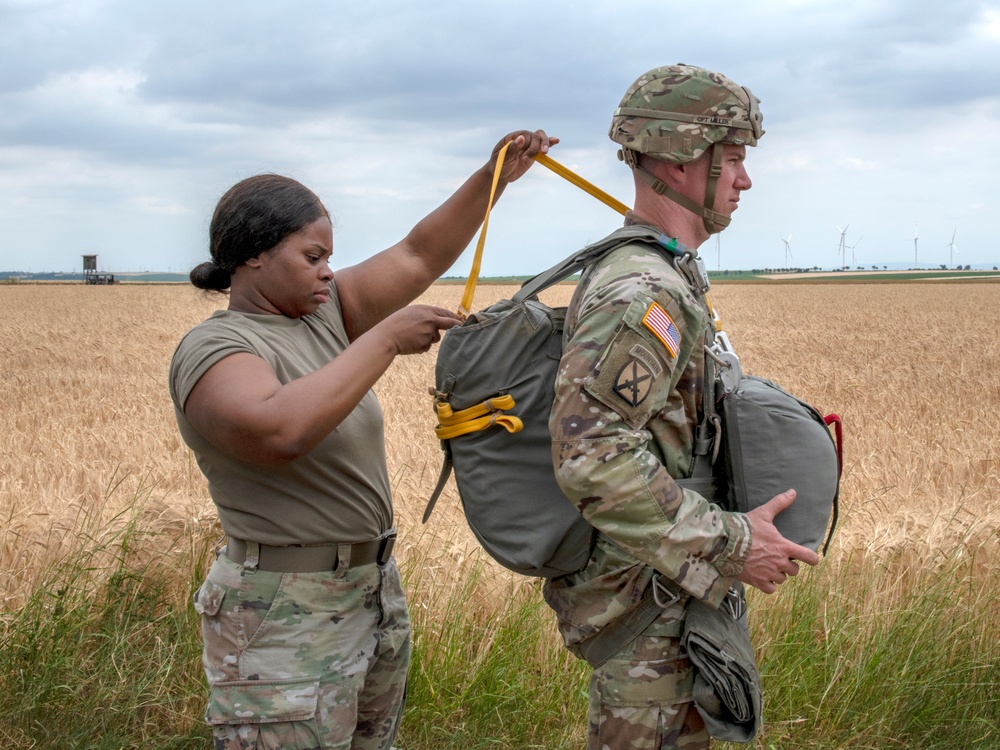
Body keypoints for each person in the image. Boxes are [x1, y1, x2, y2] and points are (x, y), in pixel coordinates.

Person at [168, 129, 556, 750]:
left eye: (330, 259)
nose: (327, 272)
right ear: (254, 256)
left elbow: (418, 255)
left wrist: (494, 178)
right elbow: (277, 429)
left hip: (367, 594)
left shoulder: (322, 315)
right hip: (281, 613)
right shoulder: (218, 346)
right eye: (313, 256)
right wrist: (382, 340)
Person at [543, 65, 821, 749]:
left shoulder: (662, 275)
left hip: (673, 605)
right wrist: (736, 544)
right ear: (678, 158)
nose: (744, 180)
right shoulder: (644, 292)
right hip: (656, 621)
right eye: (732, 160)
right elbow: (592, 457)